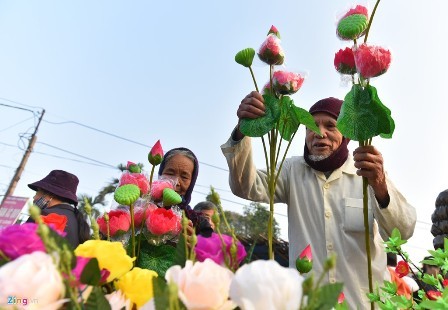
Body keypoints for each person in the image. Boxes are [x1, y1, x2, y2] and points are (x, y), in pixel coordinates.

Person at [221, 91, 417, 307]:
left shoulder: (368, 174)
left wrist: (379, 185)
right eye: (311, 126)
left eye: (330, 126)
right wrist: (242, 131)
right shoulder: (292, 171)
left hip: (364, 304)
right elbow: (245, 186)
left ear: (346, 134)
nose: (319, 133)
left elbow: (403, 230)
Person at [27, 169, 90, 247]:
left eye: (37, 193)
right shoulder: (79, 221)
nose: (34, 197)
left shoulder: (43, 215)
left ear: (49, 195)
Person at [158, 147, 213, 237]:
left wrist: (194, 246)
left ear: (191, 183)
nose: (176, 182)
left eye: (184, 177)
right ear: (160, 174)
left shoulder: (199, 223)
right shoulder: (140, 208)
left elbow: (210, 248)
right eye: (170, 174)